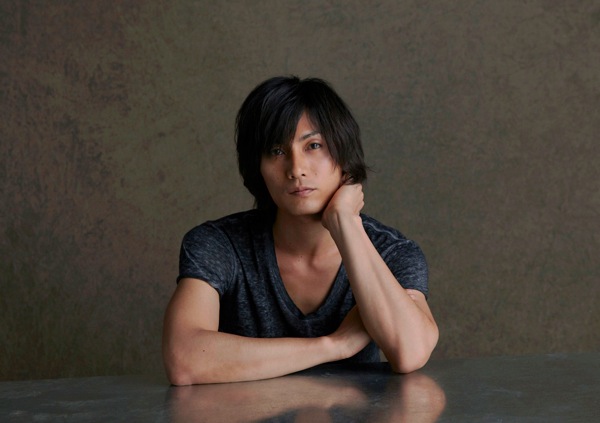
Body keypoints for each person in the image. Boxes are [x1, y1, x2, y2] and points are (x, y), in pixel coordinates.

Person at [162, 76, 439, 385]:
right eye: (276, 151)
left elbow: (410, 352)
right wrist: (334, 345)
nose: (296, 169)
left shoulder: (392, 253)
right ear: (258, 167)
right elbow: (184, 360)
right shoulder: (220, 244)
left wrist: (345, 223)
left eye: (314, 146)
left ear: (344, 155)